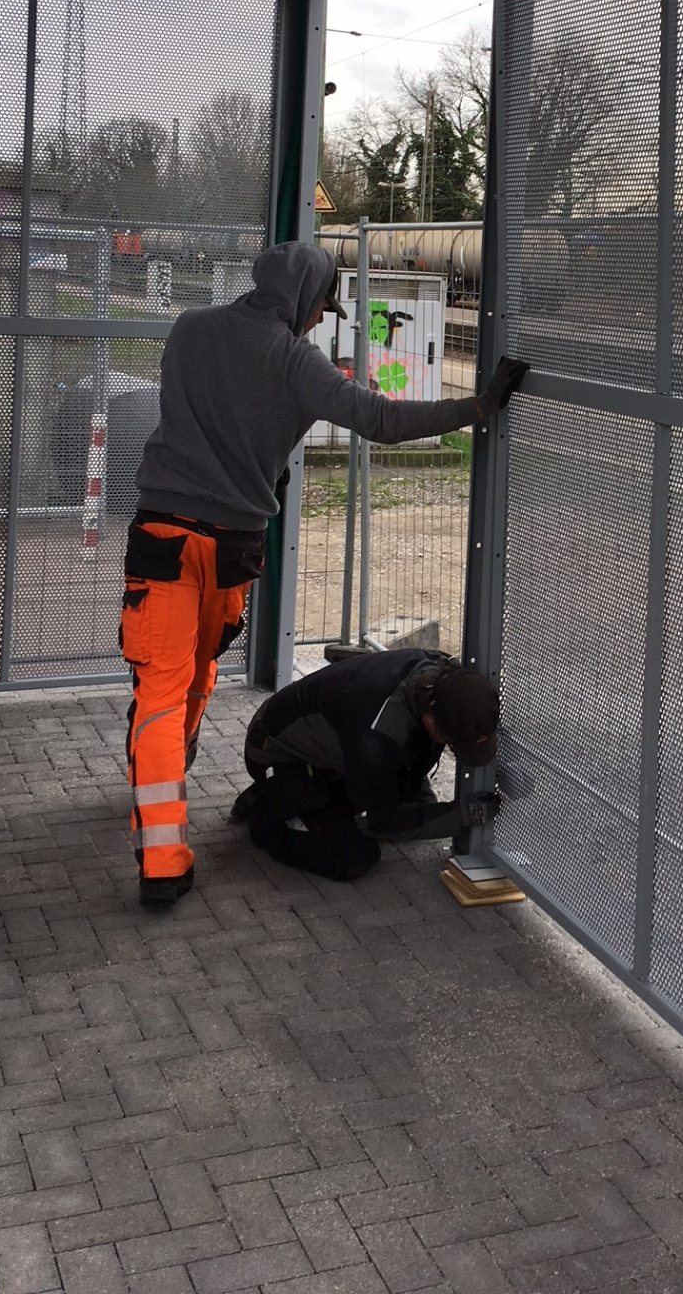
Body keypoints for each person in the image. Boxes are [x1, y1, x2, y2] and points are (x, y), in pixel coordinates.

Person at [120, 241, 526, 908]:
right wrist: (476, 410)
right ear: (307, 301)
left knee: (161, 689)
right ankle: (170, 771)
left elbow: (204, 410)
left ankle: (162, 851)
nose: (318, 321)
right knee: (196, 671)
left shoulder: (191, 329)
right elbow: (385, 420)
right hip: (231, 548)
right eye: (320, 309)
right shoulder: (296, 362)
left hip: (163, 535)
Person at [229, 647, 502, 880]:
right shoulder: (378, 735)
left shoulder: (444, 678)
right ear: (431, 720)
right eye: (451, 743)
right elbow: (377, 822)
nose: (450, 748)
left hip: (334, 745)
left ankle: (291, 795)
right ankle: (265, 814)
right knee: (355, 856)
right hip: (276, 750)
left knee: (413, 809)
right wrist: (461, 815)